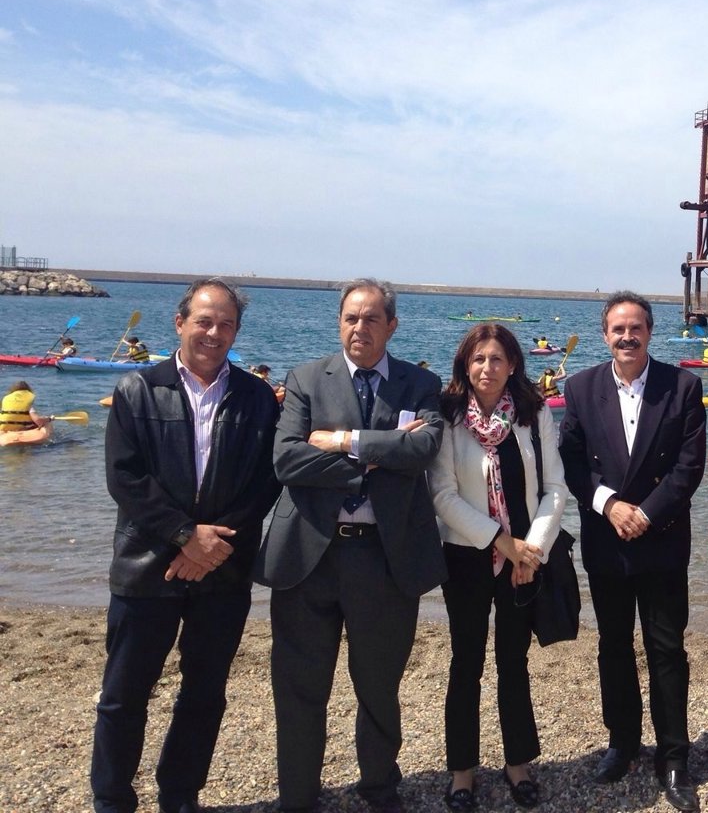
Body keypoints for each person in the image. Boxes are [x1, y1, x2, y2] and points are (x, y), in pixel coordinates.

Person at [90, 278, 281, 813]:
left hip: (223, 568)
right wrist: (183, 536)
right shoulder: (137, 390)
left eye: (225, 324)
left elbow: (265, 481)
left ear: (236, 331)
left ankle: (179, 797)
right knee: (124, 696)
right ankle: (111, 801)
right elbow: (125, 479)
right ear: (180, 324)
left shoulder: (256, 397)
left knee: (203, 694)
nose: (213, 332)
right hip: (145, 566)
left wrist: (211, 546)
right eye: (204, 320)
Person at [256, 279, 446, 813]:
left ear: (392, 325)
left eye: (370, 318)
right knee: (299, 688)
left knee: (379, 688)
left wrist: (345, 442)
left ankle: (380, 790)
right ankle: (296, 797)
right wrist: (381, 458)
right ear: (339, 322)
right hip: (309, 558)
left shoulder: (419, 384)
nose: (359, 327)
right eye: (350, 318)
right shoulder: (307, 379)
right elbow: (287, 460)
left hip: (385, 559)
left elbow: (426, 448)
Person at [558, 291, 706, 812]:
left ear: (649, 331)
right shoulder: (579, 387)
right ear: (605, 334)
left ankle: (674, 756)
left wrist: (645, 512)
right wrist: (609, 504)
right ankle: (622, 743)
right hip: (606, 541)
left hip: (662, 538)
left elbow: (689, 467)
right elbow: (573, 464)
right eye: (618, 329)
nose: (627, 336)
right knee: (614, 647)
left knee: (667, 649)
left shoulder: (683, 385)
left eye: (636, 328)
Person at [428, 324, 569, 811]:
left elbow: (554, 489)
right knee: (465, 661)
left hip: (525, 561)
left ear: (513, 364)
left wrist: (530, 551)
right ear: (465, 366)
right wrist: (500, 543)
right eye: (478, 359)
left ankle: (518, 763)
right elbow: (443, 495)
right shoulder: (447, 417)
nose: (487, 369)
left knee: (514, 661)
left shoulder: (532, 415)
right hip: (466, 557)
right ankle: (462, 771)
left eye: (496, 359)